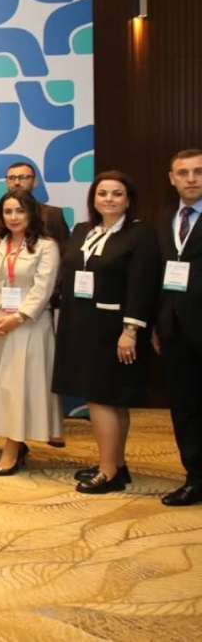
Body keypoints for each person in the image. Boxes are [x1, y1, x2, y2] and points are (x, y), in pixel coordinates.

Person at [53, 170, 160, 493]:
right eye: (102, 193)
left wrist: (131, 330)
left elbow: (142, 285)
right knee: (109, 399)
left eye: (117, 194)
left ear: (128, 200)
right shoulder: (83, 230)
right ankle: (117, 464)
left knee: (104, 399)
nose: (109, 199)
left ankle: (108, 472)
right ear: (93, 199)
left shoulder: (140, 234)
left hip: (114, 330)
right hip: (80, 325)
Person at [0, 191, 61, 475]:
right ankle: (15, 444)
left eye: (20, 211)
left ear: (32, 213)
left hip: (28, 326)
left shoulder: (46, 247)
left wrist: (18, 317)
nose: (13, 217)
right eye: (8, 212)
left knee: (18, 387)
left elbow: (43, 288)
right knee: (0, 387)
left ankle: (11, 449)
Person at [155, 148, 202, 506]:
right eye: (183, 173)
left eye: (198, 171)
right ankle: (195, 478)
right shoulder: (163, 219)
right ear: (172, 179)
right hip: (174, 331)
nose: (191, 178)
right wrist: (157, 324)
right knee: (184, 408)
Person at [0, 161, 71, 245]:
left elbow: (64, 251)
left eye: (22, 177)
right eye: (11, 178)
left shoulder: (53, 215)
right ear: (6, 182)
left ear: (35, 182)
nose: (17, 183)